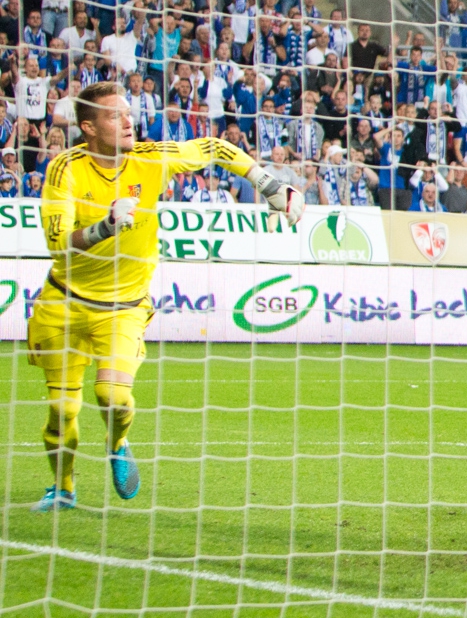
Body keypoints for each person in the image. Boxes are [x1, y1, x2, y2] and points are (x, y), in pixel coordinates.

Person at [29, 81, 304, 513]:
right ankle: (63, 489)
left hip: (122, 308)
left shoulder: (150, 157)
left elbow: (215, 147)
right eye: (113, 115)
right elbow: (58, 240)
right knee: (62, 411)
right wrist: (105, 226)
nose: (127, 120)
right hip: (63, 304)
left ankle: (117, 442)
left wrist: (268, 184)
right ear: (88, 127)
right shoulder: (65, 168)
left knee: (112, 397)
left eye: (127, 111)